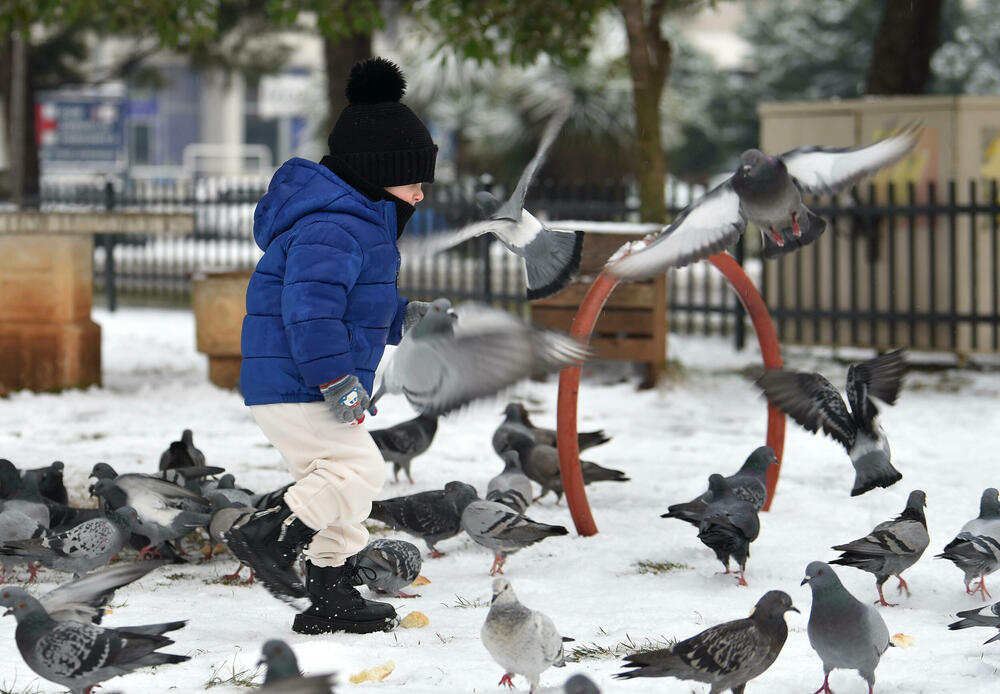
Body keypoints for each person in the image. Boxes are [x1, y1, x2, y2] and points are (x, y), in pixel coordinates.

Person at [227, 56, 437, 635]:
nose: (420, 194)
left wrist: (407, 317)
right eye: (413, 179)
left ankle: (331, 590)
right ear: (376, 172)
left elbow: (354, 310)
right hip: (299, 382)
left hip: (304, 381)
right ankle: (268, 535)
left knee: (344, 486)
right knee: (357, 471)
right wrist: (338, 382)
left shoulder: (353, 223)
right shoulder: (334, 227)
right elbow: (311, 315)